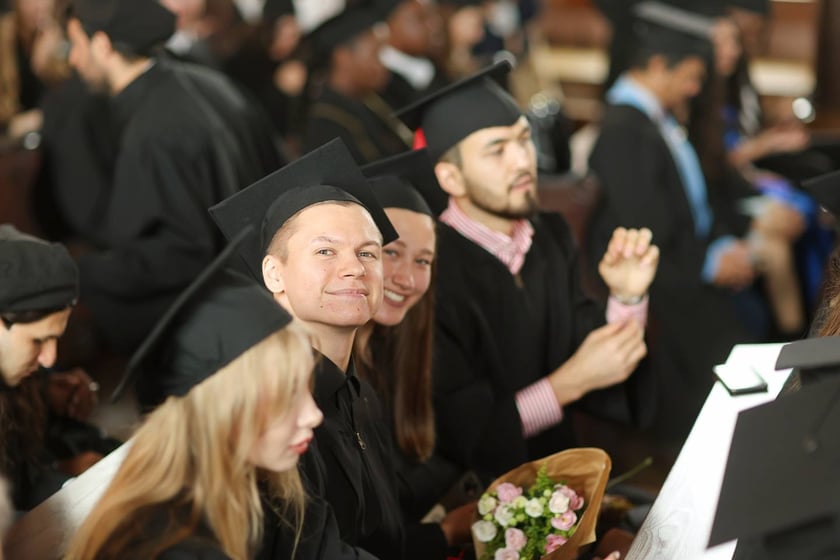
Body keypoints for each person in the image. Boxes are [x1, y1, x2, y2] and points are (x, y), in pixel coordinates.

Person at [394, 61, 659, 481]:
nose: (522, 161)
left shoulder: (549, 236)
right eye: (497, 150)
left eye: (523, 139)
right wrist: (568, 383)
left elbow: (591, 354)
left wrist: (626, 297)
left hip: (564, 476)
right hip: (476, 504)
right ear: (451, 177)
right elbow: (458, 431)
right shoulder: (428, 273)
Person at [63, 234, 329, 559]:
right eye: (287, 395)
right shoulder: (170, 548)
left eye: (307, 387)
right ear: (221, 409)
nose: (314, 414)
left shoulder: (255, 489)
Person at [210, 139, 406, 558]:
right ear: (273, 274)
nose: (355, 267)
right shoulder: (266, 412)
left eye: (368, 253)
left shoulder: (362, 394)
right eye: (325, 251)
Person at [63, 0, 283, 355]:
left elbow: (177, 257)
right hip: (266, 298)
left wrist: (76, 270)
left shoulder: (153, 131)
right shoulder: (212, 84)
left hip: (221, 336)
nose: (73, 59)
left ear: (102, 46)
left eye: (76, 44)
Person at [587, 19, 773, 439]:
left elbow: (696, 203)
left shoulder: (654, 121)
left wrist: (724, 245)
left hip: (687, 265)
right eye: (690, 77)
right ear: (658, 66)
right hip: (665, 286)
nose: (694, 88)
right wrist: (708, 266)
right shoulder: (624, 131)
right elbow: (644, 231)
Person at [357, 149, 474, 558]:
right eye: (391, 252)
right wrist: (444, 533)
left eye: (423, 260)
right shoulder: (323, 381)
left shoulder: (401, 353)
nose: (406, 279)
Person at [0, 225, 108, 511]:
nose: (49, 359)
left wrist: (44, 394)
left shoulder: (22, 377)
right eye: (38, 341)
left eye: (55, 339)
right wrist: (60, 480)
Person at [301, 2, 411, 163]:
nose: (382, 65)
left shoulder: (373, 99)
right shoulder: (326, 125)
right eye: (376, 54)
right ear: (343, 57)